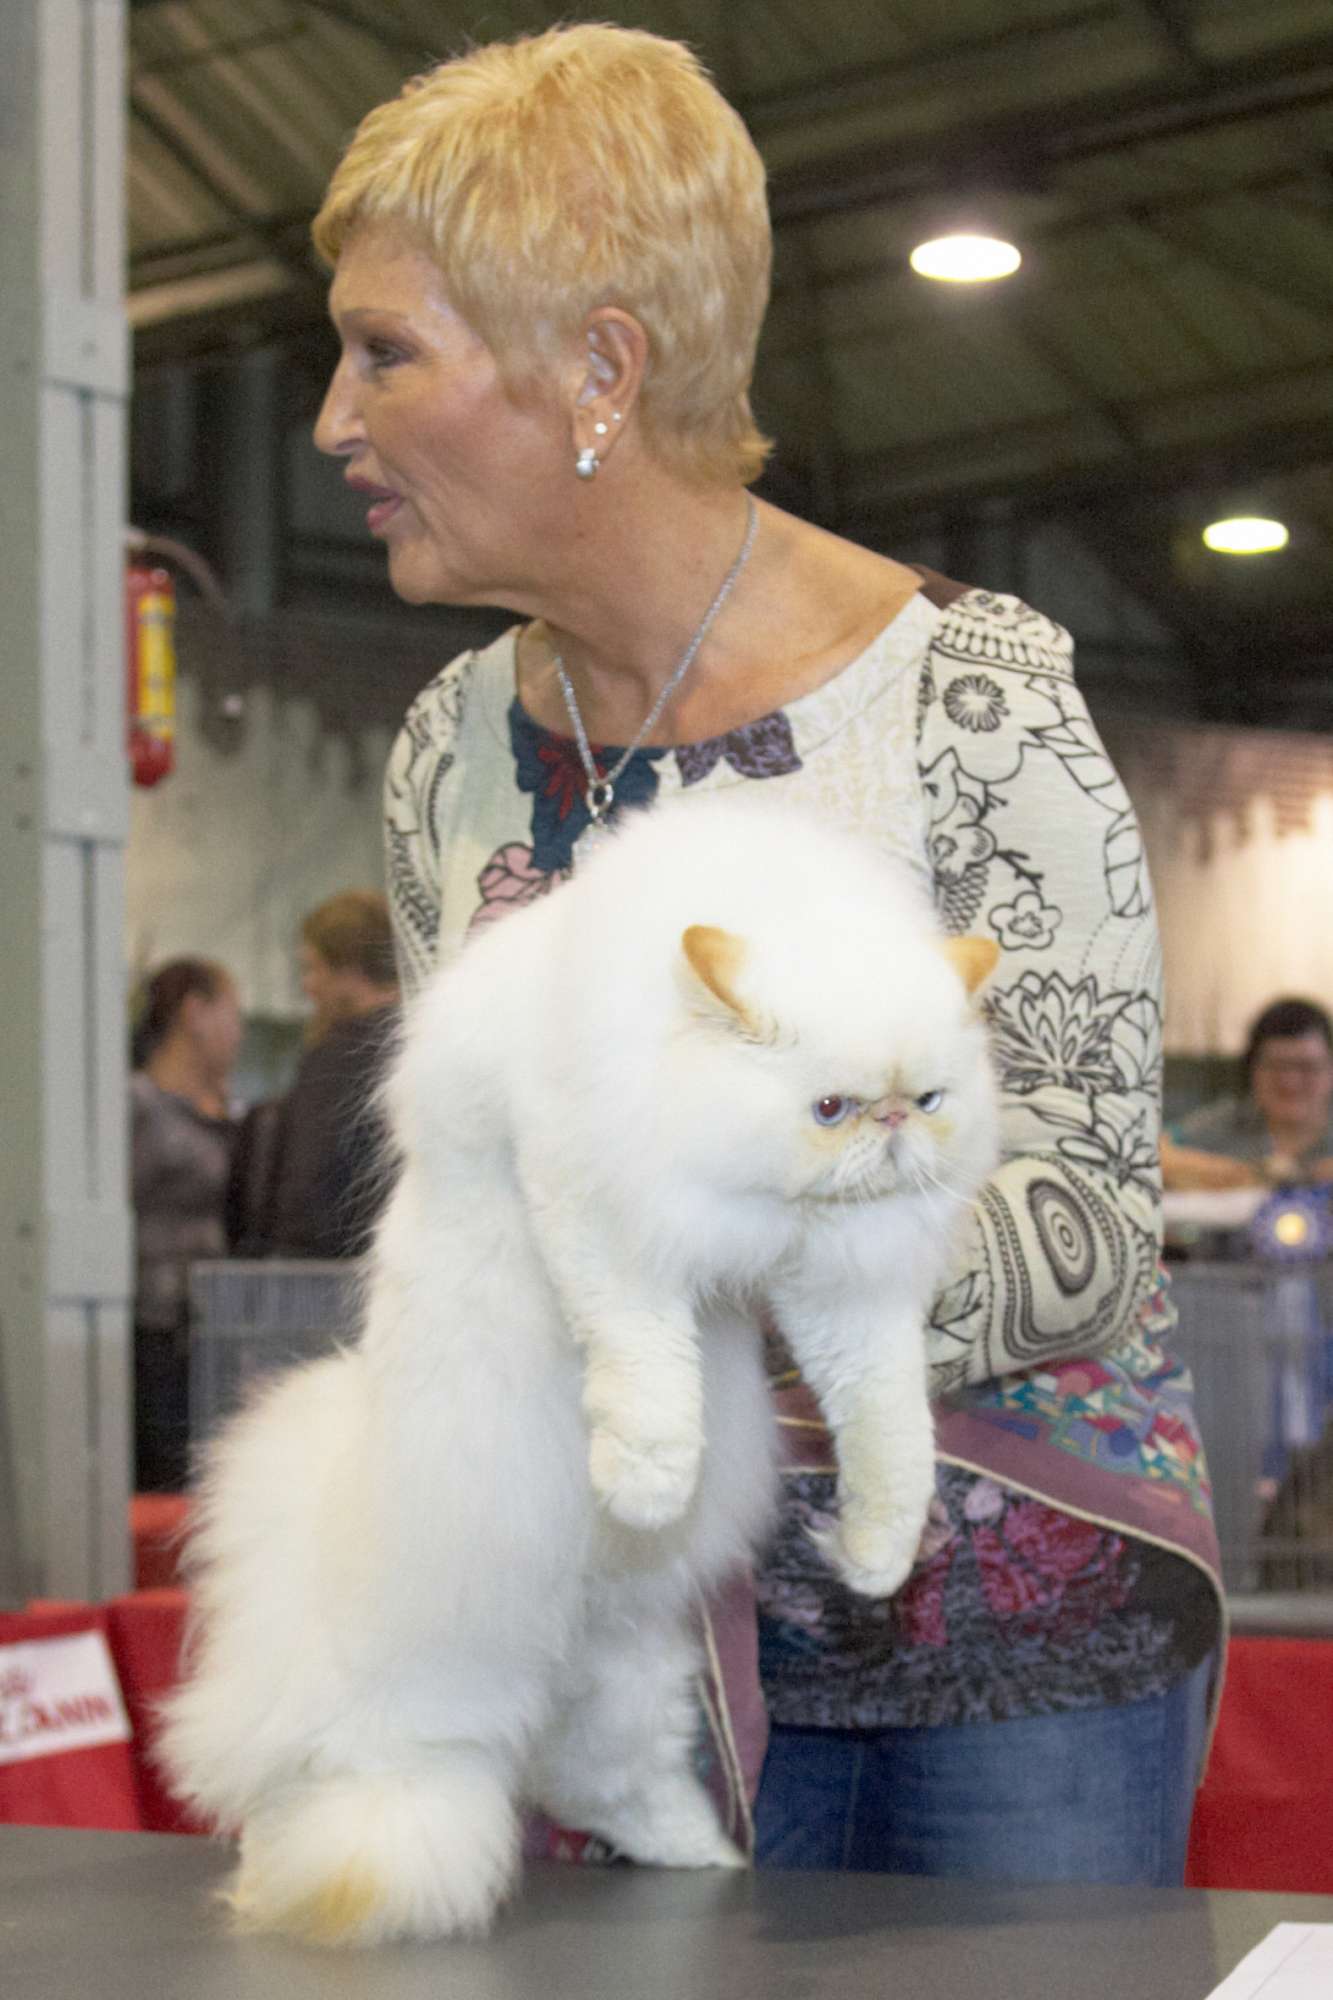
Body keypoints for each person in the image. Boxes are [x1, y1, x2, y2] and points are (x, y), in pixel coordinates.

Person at [310, 23, 1222, 1885]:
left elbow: (1083, 1224)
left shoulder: (972, 695)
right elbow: (476, 1188)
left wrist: (662, 1290)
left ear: (600, 368)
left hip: (1019, 1651)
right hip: (637, 1666)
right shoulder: (446, 755)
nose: (332, 421)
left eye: (383, 353)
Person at [228, 890, 400, 1259]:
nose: (308, 986)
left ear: (349, 970)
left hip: (328, 1270)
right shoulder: (417, 1042)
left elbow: (308, 1186)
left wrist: (287, 1259)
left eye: (313, 968)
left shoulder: (338, 1056)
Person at [130, 957, 241, 1490]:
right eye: (232, 1013)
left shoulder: (231, 1111)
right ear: (195, 1012)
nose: (238, 1032)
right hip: (152, 1334)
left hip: (213, 1329)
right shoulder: (135, 1106)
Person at [1162, 998, 1333, 1193]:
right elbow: (1155, 1149)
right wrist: (1241, 1174)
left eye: (1306, 1067)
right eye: (1275, 1066)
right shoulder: (1227, 1120)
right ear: (1252, 1069)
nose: (1290, 1082)